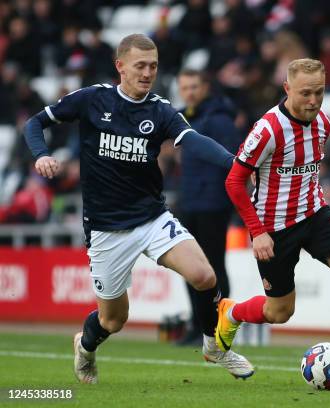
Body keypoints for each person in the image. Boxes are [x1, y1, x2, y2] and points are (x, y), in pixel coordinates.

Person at [23, 33, 254, 384]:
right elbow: (34, 123)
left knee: (205, 276)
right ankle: (85, 348)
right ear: (121, 67)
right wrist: (41, 156)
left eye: (154, 66)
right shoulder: (92, 99)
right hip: (106, 228)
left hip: (152, 217)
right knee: (114, 320)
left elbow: (194, 142)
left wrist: (237, 163)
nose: (148, 73)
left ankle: (213, 346)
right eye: (140, 66)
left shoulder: (160, 110)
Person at [219, 58, 330, 365]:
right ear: (287, 88)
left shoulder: (323, 124)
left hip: (314, 214)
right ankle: (232, 312)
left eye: (319, 92)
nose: (313, 100)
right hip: (273, 228)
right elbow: (234, 182)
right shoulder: (268, 129)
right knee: (279, 312)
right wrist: (257, 231)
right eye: (306, 93)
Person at [175, 69, 242, 346]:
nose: (189, 92)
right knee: (190, 267)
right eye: (185, 87)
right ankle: (197, 324)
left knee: (214, 267)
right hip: (189, 201)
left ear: (205, 87)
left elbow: (232, 162)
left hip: (213, 204)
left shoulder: (220, 120)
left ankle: (218, 327)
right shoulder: (184, 118)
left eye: (194, 86)